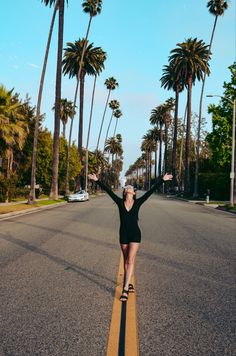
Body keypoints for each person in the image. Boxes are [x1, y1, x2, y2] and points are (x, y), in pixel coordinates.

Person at [88, 173, 173, 302]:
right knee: (125, 260)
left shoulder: (138, 202)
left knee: (130, 260)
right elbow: (108, 191)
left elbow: (151, 191)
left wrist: (162, 180)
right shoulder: (119, 202)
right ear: (125, 192)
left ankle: (125, 289)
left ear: (133, 193)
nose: (129, 187)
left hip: (135, 235)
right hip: (123, 234)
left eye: (131, 187)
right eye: (127, 187)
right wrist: (97, 180)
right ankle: (129, 281)